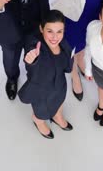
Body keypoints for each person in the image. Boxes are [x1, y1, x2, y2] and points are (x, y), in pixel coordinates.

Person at [18, 10, 73, 139]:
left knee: (59, 101)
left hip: (59, 85)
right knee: (40, 112)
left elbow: (67, 63)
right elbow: (31, 58)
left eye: (59, 31)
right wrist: (32, 60)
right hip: (41, 90)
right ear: (41, 29)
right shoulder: (34, 44)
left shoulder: (64, 43)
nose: (55, 37)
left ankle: (57, 116)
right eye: (50, 31)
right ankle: (38, 122)